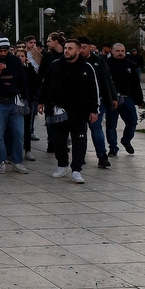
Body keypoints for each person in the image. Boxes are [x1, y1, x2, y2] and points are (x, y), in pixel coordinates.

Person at [38, 40, 99, 184]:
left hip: (79, 111)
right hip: (58, 111)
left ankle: (76, 170)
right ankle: (62, 165)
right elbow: (46, 85)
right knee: (58, 141)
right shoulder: (55, 65)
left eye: (70, 48)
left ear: (78, 51)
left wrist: (94, 110)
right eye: (66, 48)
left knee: (79, 141)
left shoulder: (86, 68)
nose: (67, 51)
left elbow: (93, 90)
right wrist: (41, 101)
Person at [0, 37, 29, 175]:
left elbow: (22, 81)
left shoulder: (15, 61)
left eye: (5, 50)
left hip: (15, 101)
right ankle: (1, 161)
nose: (3, 53)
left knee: (19, 133)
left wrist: (26, 100)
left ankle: (17, 161)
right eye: (0, 51)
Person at [78, 36, 118, 168]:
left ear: (90, 47)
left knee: (96, 128)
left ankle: (102, 155)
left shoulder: (99, 61)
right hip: (78, 101)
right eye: (80, 48)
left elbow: (108, 79)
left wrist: (113, 97)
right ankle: (79, 156)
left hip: (97, 101)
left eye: (84, 47)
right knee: (79, 130)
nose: (82, 51)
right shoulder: (73, 61)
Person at [106, 43, 143, 155]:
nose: (120, 53)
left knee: (132, 122)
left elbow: (136, 84)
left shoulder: (130, 65)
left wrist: (140, 100)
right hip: (113, 99)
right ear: (112, 51)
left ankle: (126, 140)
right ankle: (113, 147)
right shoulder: (107, 65)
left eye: (122, 51)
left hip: (128, 99)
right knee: (111, 125)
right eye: (117, 51)